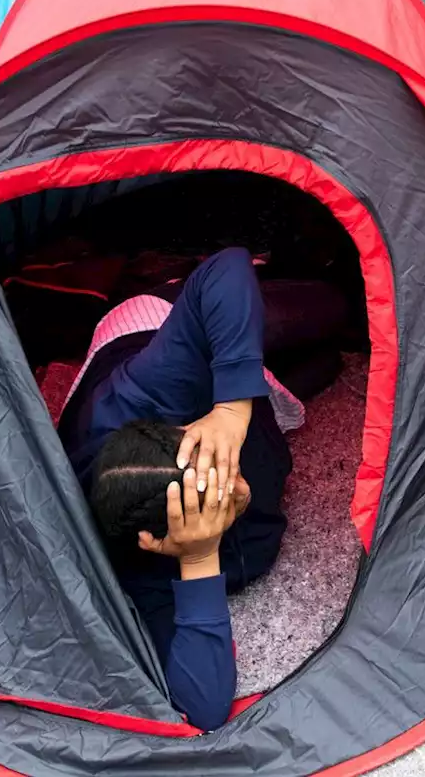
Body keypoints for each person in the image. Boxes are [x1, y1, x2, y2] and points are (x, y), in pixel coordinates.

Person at [57, 247, 295, 731]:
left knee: (330, 308)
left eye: (217, 467)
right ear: (160, 540)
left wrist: (230, 411)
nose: (236, 488)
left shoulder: (156, 390)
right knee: (320, 367)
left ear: (180, 430)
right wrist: (200, 559)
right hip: (140, 411)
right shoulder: (139, 568)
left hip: (148, 329)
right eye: (213, 504)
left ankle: (158, 270)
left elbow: (228, 265)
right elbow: (204, 706)